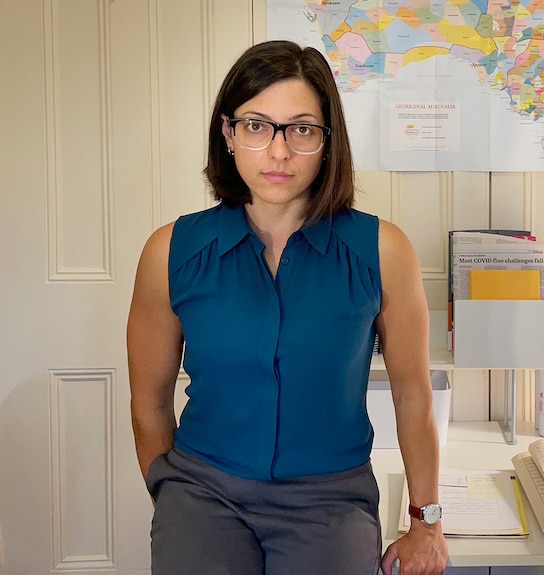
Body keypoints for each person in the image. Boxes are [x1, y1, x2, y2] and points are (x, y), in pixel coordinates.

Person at [127, 40, 448, 575]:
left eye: (301, 129)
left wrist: (427, 522)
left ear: (327, 141)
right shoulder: (171, 251)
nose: (279, 152)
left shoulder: (382, 251)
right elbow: (149, 403)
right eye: (257, 126)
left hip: (331, 501)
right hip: (202, 494)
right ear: (228, 134)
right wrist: (173, 504)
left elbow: (413, 393)